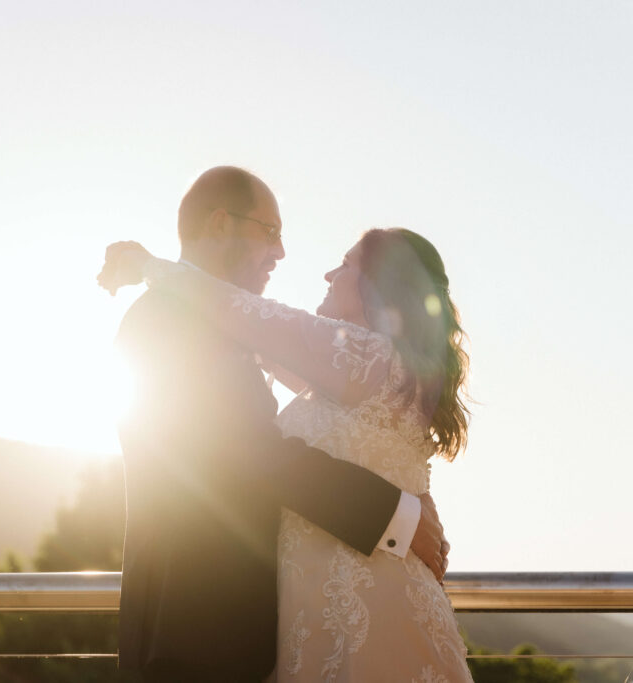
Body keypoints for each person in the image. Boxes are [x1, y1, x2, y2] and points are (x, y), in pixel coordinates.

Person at [100, 166, 450, 682]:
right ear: (220, 224)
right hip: (192, 639)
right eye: (271, 232)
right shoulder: (170, 320)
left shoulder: (233, 328)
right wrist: (399, 514)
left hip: (259, 638)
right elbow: (253, 455)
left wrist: (407, 491)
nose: (282, 252)